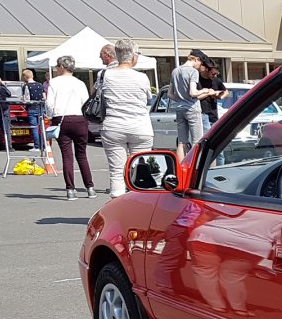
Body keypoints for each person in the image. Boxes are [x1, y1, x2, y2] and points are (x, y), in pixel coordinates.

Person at [99, 39, 154, 197]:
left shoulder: (105, 75)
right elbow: (148, 98)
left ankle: (117, 204)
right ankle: (139, 204)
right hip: (140, 127)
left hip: (114, 126)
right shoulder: (142, 77)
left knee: (117, 171)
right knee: (140, 171)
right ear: (134, 56)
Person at [45, 55, 96, 199]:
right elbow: (85, 102)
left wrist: (50, 116)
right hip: (79, 119)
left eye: (57, 66)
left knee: (67, 156)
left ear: (62, 67)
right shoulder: (80, 83)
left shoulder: (54, 82)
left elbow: (49, 104)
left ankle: (70, 190)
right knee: (82, 154)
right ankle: (90, 187)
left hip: (61, 119)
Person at [167, 51, 209, 160]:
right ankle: (194, 166)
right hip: (192, 109)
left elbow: (169, 94)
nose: (199, 66)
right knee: (196, 141)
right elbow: (193, 92)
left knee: (182, 142)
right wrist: (205, 90)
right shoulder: (193, 72)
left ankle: (181, 167)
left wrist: (181, 99)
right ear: (196, 59)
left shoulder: (175, 71)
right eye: (200, 63)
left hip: (179, 109)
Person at [196, 54, 227, 134]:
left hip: (213, 114)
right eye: (213, 74)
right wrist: (209, 93)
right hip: (202, 113)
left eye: (217, 74)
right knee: (207, 135)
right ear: (207, 70)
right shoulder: (197, 79)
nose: (215, 76)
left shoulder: (217, 80)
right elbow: (195, 97)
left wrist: (219, 96)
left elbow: (226, 92)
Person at [21, 68, 48, 156]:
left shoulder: (26, 86)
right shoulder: (40, 85)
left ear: (25, 77)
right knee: (42, 127)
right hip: (40, 108)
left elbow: (25, 99)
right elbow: (44, 97)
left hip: (31, 108)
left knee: (34, 128)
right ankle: (44, 145)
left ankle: (37, 146)